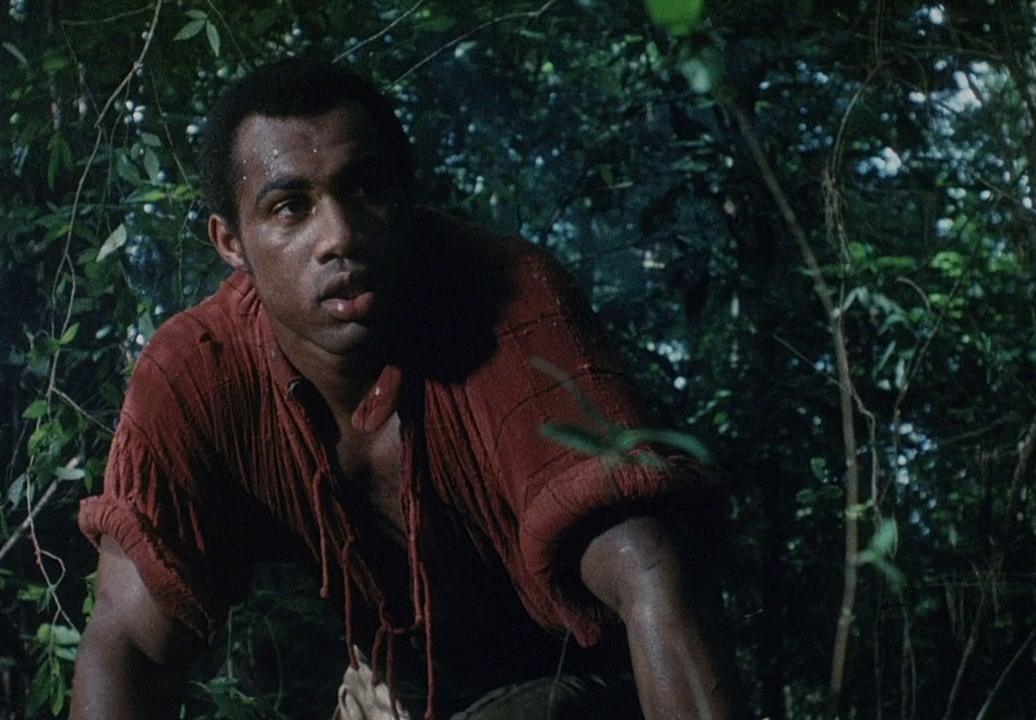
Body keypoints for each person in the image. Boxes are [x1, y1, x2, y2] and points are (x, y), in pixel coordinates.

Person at [69, 55, 735, 720]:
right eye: (291, 207)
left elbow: (651, 568)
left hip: (585, 687)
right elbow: (128, 642)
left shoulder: (506, 300)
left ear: (408, 200)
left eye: (367, 189)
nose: (341, 235)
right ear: (230, 242)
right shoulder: (196, 374)